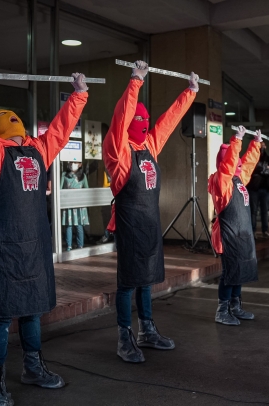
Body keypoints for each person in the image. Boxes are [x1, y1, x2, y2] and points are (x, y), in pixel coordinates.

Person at [0, 67, 88, 406]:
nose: (21, 140)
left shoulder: (38, 150)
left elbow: (61, 130)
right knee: (2, 315)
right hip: (3, 248)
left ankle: (32, 369)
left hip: (33, 246)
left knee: (32, 310)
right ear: (7, 134)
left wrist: (79, 95)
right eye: (16, 135)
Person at [102, 60, 198, 363]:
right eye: (139, 119)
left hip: (150, 224)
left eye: (146, 120)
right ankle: (124, 337)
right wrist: (135, 81)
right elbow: (120, 119)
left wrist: (191, 92)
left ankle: (147, 330)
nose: (145, 124)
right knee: (127, 283)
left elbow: (169, 121)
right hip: (130, 225)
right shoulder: (118, 151)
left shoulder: (150, 146)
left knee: (146, 280)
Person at [209, 126, 262, 325]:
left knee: (238, 271)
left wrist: (255, 143)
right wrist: (237, 141)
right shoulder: (221, 181)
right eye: (233, 160)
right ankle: (222, 310)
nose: (238, 164)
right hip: (227, 236)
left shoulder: (237, 179)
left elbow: (247, 165)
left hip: (239, 235)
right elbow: (229, 166)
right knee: (229, 273)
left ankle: (235, 306)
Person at [246, 141, 269, 238]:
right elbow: (249, 170)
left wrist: (260, 169)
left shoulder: (268, 159)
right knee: (253, 211)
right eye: (260, 145)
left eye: (263, 145)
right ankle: (252, 231)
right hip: (253, 188)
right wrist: (263, 169)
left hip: (265, 188)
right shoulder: (251, 157)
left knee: (264, 211)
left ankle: (265, 231)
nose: (262, 147)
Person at [61, 161, 89, 251]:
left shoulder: (83, 176)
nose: (73, 164)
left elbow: (87, 190)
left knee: (79, 226)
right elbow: (60, 189)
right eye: (71, 162)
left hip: (79, 205)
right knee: (68, 226)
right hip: (68, 204)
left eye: (75, 162)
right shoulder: (64, 175)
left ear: (80, 164)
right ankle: (69, 245)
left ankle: (80, 245)